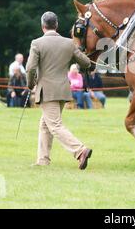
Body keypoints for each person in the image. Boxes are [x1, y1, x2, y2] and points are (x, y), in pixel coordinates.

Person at [26, 11, 92, 169]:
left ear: (43, 26)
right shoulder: (69, 43)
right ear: (56, 25)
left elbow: (30, 68)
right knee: (45, 124)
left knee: (54, 125)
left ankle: (80, 150)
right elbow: (86, 63)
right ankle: (43, 160)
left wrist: (30, 84)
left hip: (47, 91)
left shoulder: (37, 43)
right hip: (63, 90)